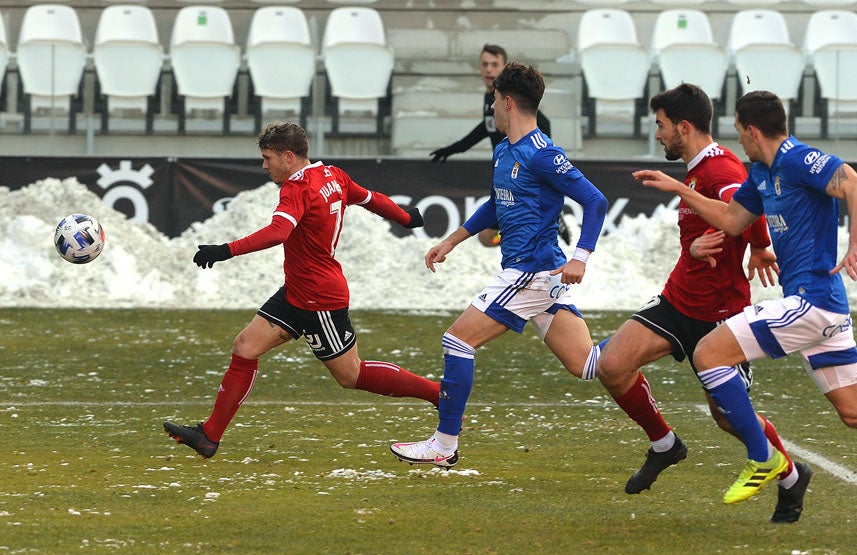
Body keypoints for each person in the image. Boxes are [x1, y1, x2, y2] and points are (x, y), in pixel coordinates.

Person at [634, 90, 857, 523]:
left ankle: (764, 459)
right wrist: (678, 188)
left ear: (753, 130)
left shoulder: (800, 160)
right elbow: (730, 219)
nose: (738, 141)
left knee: (709, 353)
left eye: (741, 132)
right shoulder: (761, 172)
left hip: (812, 303)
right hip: (822, 310)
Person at [597, 83, 811, 523]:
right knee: (612, 365)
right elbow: (741, 209)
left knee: (731, 420)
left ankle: (791, 477)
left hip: (721, 316)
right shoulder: (698, 169)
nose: (657, 135)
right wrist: (751, 247)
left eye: (660, 126)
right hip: (680, 300)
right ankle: (665, 445)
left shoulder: (719, 169)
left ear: (684, 126)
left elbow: (742, 204)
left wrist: (755, 241)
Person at [163, 121, 439, 459]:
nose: (264, 166)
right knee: (245, 346)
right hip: (297, 291)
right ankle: (208, 436)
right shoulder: (334, 176)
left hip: (319, 300)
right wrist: (406, 218)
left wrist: (225, 249)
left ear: (288, 156)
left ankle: (439, 394)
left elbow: (279, 231)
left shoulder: (297, 188)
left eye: (267, 158)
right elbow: (370, 198)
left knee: (350, 375)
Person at [390, 62, 608, 468]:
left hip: (531, 271)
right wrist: (452, 241)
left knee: (458, 340)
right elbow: (496, 202)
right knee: (587, 364)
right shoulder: (504, 149)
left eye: (493, 100)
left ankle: (443, 445)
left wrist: (581, 256)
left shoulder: (543, 154)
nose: (491, 107)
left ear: (507, 102)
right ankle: (666, 338)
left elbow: (596, 201)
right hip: (539, 275)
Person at [429, 44, 551, 163]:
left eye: (494, 64)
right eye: (485, 64)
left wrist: (541, 159)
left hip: (517, 172)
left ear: (504, 67)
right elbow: (486, 127)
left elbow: (542, 122)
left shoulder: (508, 98)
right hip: (502, 168)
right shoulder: (490, 96)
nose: (488, 69)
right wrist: (452, 149)